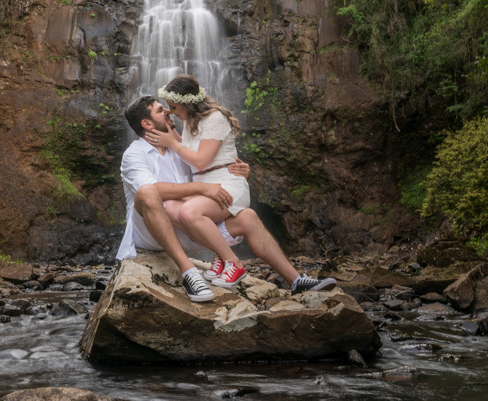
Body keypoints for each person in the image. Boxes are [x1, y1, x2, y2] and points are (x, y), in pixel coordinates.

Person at [119, 94, 336, 302]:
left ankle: (296, 280)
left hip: (187, 225)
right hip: (151, 233)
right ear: (147, 124)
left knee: (248, 217)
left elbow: (209, 165)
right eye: (160, 110)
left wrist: (237, 170)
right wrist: (203, 188)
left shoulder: (180, 147)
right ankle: (189, 273)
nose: (168, 111)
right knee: (149, 192)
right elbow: (154, 189)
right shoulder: (134, 153)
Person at [144, 74, 250, 287]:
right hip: (206, 187)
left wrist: (171, 143)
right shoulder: (191, 121)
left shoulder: (216, 118)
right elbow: (190, 150)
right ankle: (220, 256)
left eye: (174, 107)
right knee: (171, 207)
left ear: (187, 103)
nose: (171, 111)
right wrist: (171, 131)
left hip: (227, 184)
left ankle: (234, 263)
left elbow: (201, 161)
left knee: (189, 212)